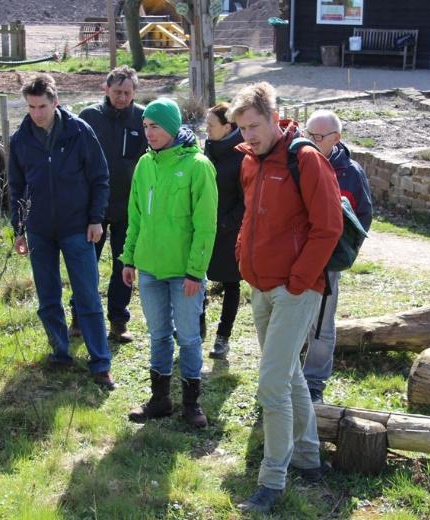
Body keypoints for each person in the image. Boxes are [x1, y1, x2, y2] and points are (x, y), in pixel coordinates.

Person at [229, 83, 343, 513]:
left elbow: (328, 227)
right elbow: (249, 218)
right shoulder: (250, 162)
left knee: (271, 385)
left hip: (296, 290)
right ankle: (310, 459)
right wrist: (244, 259)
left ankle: (272, 481)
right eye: (242, 128)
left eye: (255, 126)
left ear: (275, 118)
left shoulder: (305, 159)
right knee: (291, 374)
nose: (249, 136)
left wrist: (298, 280)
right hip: (260, 287)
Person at [8, 74, 115, 390]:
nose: (36, 113)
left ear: (55, 102)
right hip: (39, 230)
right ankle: (61, 352)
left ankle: (100, 362)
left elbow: (100, 177)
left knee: (87, 295)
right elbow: (15, 188)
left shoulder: (79, 132)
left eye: (42, 106)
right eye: (31, 106)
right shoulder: (20, 140)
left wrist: (96, 218)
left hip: (77, 227)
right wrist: (18, 229)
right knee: (47, 295)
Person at [120, 98, 218, 428]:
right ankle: (159, 399)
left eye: (156, 126)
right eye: (145, 126)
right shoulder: (145, 165)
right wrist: (129, 257)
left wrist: (195, 271)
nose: (149, 133)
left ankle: (192, 403)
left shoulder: (198, 166)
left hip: (184, 274)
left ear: (173, 127)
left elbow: (206, 226)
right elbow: (135, 215)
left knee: (188, 337)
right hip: (149, 268)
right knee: (159, 335)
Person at [71, 65, 148, 343]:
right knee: (86, 262)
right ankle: (79, 316)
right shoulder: (89, 117)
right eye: (117, 92)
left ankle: (118, 319)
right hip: (93, 207)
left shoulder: (142, 119)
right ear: (106, 89)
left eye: (128, 93)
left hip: (129, 206)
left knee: (124, 264)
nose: (122, 98)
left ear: (134, 92)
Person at [302, 109, 373, 404]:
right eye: (309, 134)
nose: (313, 141)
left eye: (319, 136)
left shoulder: (351, 172)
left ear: (336, 138)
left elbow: (362, 218)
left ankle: (313, 382)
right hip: (297, 257)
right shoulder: (299, 162)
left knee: (321, 324)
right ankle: (287, 376)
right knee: (292, 319)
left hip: (327, 262)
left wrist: (342, 250)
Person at [203, 102, 245, 359]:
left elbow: (247, 199)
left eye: (210, 125)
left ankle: (223, 336)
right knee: (196, 280)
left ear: (227, 127)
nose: (205, 129)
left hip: (229, 231)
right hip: (203, 229)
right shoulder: (208, 149)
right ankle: (196, 328)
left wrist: (227, 223)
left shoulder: (242, 155)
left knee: (231, 284)